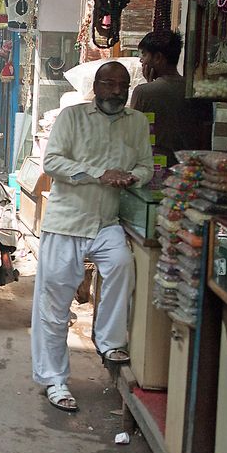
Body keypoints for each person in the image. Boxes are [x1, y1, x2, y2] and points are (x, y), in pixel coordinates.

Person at [33, 61, 153, 413]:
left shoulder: (137, 123)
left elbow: (146, 165)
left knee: (121, 264)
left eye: (122, 85)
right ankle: (54, 380)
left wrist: (132, 178)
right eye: (109, 84)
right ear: (96, 87)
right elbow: (52, 162)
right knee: (54, 306)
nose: (116, 91)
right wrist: (99, 174)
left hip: (106, 221)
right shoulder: (72, 118)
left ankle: (109, 340)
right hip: (66, 223)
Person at [129, 30, 212, 165]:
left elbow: (134, 137)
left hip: (155, 170)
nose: (141, 60)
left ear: (158, 58)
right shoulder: (198, 91)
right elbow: (205, 141)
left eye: (144, 55)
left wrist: (150, 86)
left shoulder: (143, 93)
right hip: (190, 170)